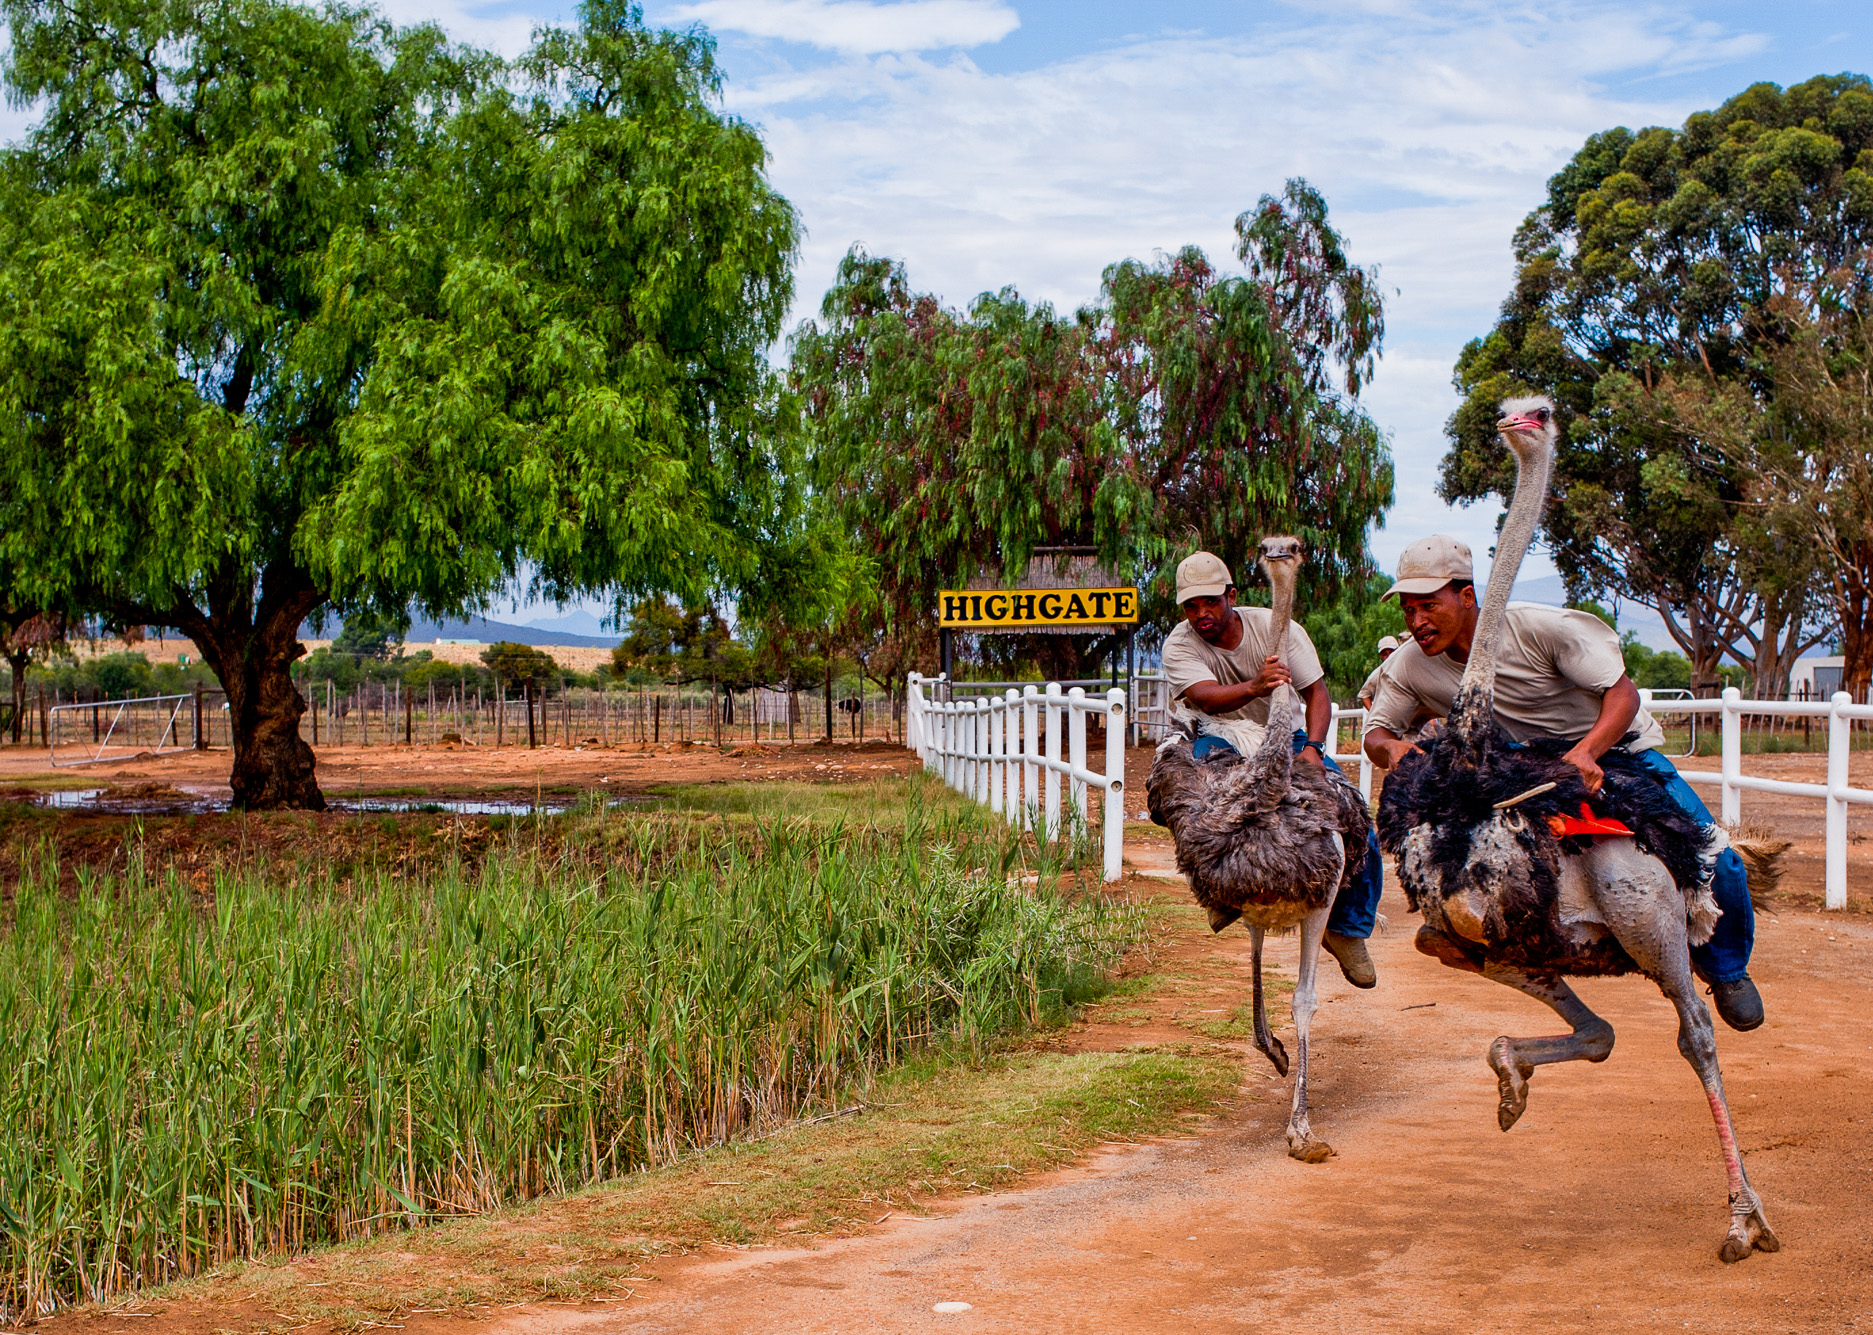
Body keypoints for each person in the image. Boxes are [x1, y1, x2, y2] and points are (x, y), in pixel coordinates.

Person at [1360, 535, 1763, 1030]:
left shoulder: (1538, 628)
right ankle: (1459, 929)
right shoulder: (1410, 664)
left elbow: (1622, 693)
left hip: (1611, 751)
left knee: (1713, 856)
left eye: (1428, 606)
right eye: (1407, 610)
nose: (1416, 621)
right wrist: (1393, 750)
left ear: (1466, 597)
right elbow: (1377, 732)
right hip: (1520, 768)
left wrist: (1588, 750)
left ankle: (1727, 971)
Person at [1161, 550, 1386, 988]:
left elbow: (1316, 693)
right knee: (1193, 803)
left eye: (1210, 601)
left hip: (1288, 734)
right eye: (1192, 605)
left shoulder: (1276, 629)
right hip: (1222, 733)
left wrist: (1315, 752)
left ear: (1231, 595)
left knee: (1356, 820)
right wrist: (1255, 685)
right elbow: (1205, 697)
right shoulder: (1180, 644)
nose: (1201, 613)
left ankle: (1347, 929)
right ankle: (1219, 889)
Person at [1355, 634, 1400, 709]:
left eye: (1391, 652)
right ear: (1381, 656)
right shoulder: (1379, 673)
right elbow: (1364, 695)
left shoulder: (1407, 666)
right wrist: (1373, 714)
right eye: (1385, 654)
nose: (1389, 656)